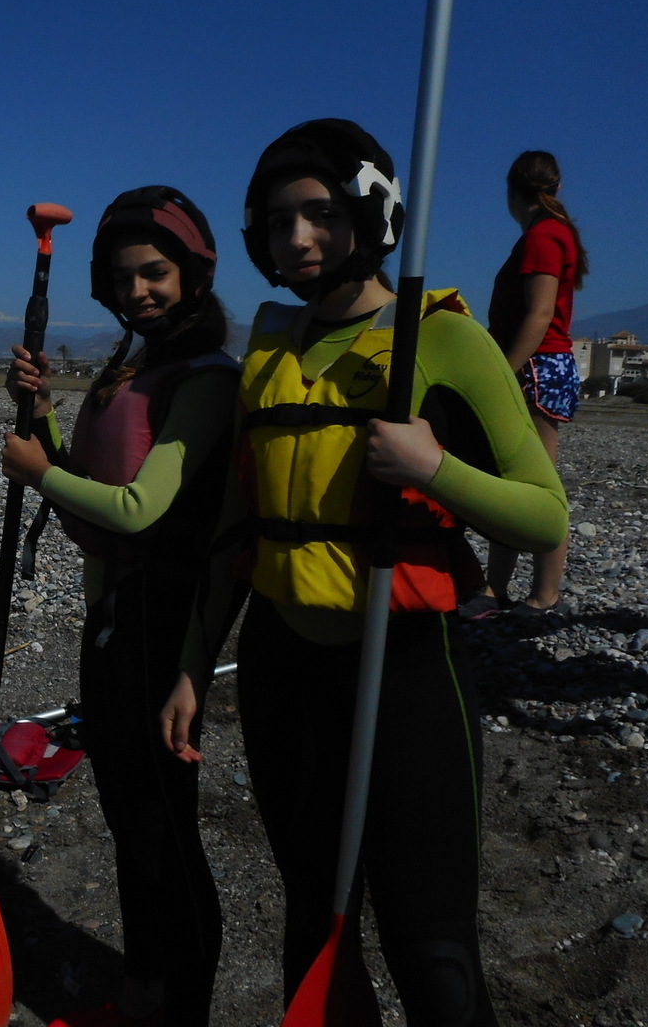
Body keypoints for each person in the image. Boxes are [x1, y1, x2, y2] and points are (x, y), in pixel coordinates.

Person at [160, 120, 568, 1027]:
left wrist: (434, 469)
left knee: (432, 948)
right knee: (314, 925)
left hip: (406, 668)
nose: (297, 238)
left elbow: (546, 516)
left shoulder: (443, 339)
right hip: (280, 670)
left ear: (371, 214)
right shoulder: (269, 344)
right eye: (277, 222)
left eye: (319, 214)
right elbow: (237, 525)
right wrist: (194, 660)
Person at [1, 188, 238, 1027]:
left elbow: (141, 510)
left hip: (163, 625)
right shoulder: (131, 368)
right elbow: (85, 497)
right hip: (111, 619)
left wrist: (37, 471)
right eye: (123, 277)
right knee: (125, 819)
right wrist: (42, 418)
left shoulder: (208, 379)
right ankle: (142, 992)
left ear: (192, 275)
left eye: (155, 273)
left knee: (163, 829)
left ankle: (184, 1008)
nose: (138, 290)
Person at [466, 150, 589, 623]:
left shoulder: (543, 236)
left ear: (512, 192)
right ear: (557, 187)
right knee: (515, 484)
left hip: (536, 369)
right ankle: (498, 589)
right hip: (543, 367)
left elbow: (539, 316)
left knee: (537, 488)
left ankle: (543, 595)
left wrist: (501, 373)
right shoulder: (551, 233)